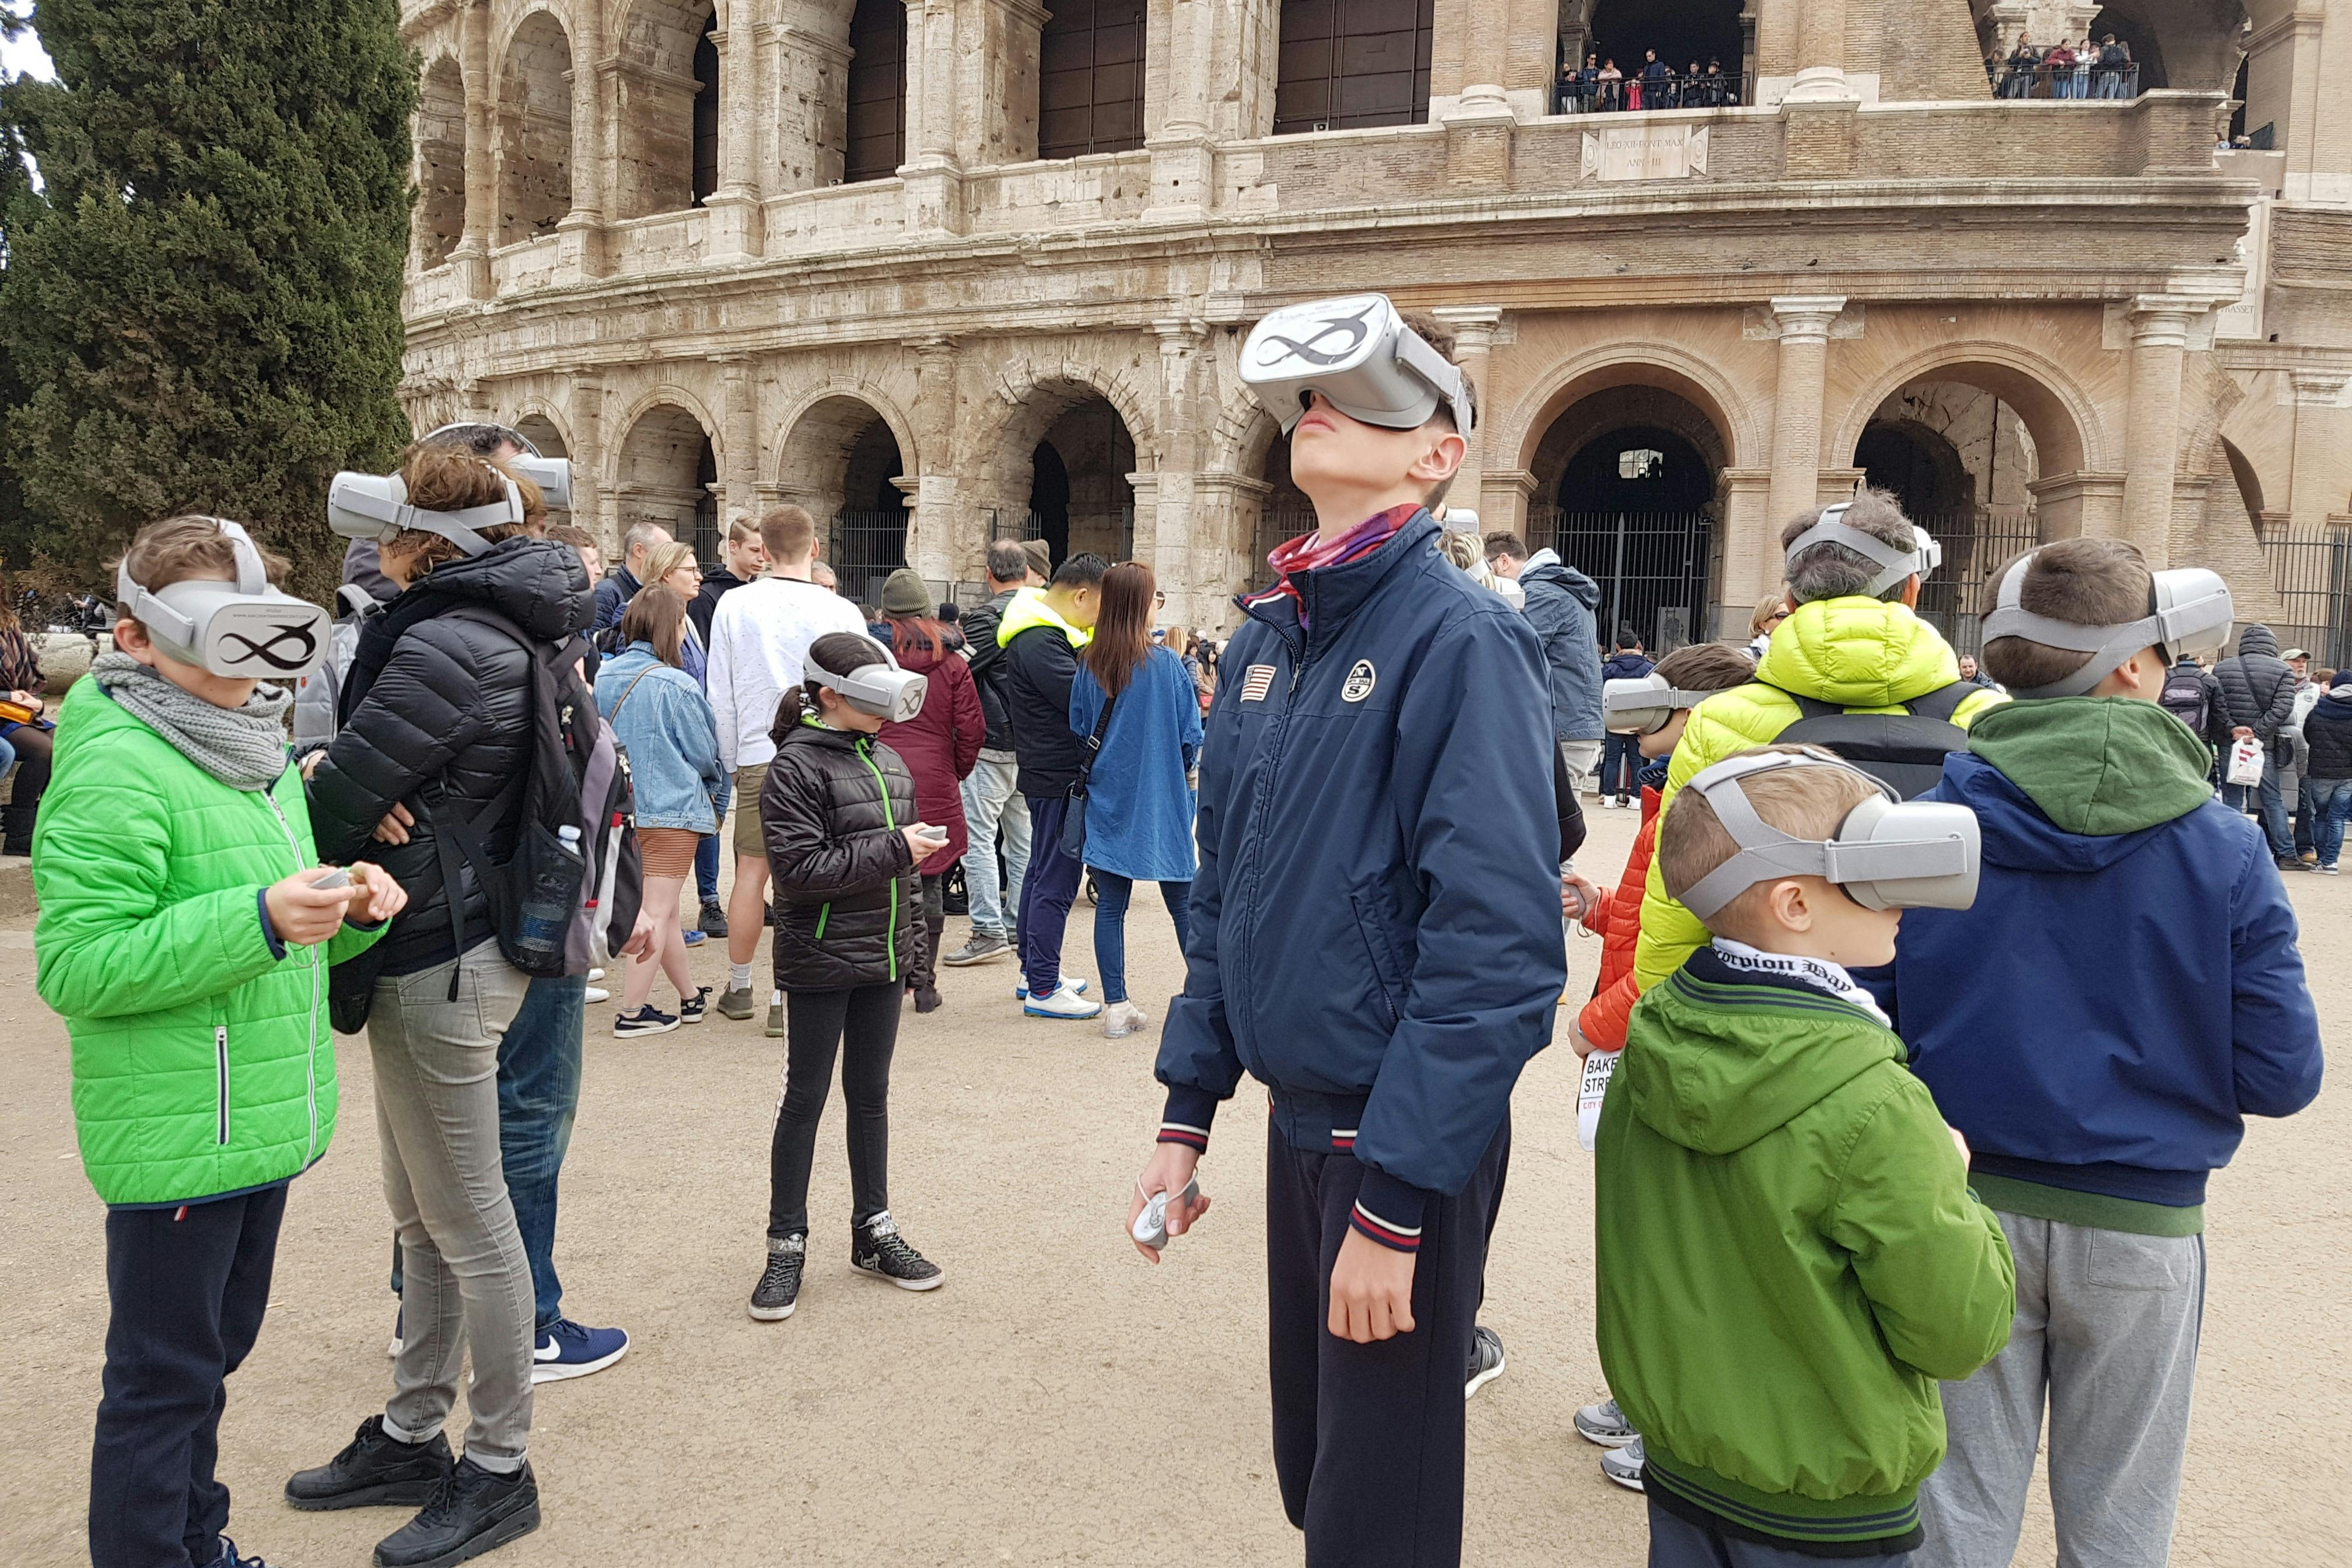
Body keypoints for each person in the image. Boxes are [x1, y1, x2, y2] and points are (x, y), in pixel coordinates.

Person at [1132, 299, 1563, 1567]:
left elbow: (1498, 946)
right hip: (1298, 1115)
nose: (1318, 410)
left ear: (1439, 455)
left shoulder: (1463, 635)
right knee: (1315, 1463)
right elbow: (1229, 893)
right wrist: (1184, 1108)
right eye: (1310, 398)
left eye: (1369, 398)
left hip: (1394, 1129)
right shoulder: (1271, 635)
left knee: (1379, 1503)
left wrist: (1397, 1200)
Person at [1867, 539, 2323, 1568]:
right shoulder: (2222, 846)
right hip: (2140, 1215)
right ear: (2130, 664)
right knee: (2119, 1524)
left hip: (1958, 1200)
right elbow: (2281, 1074)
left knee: (1949, 1518)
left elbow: (1867, 1032)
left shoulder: (1927, 828)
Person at [41, 516, 404, 1568]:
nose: (242, 672)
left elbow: (282, 938)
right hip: (178, 1130)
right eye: (214, 642)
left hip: (249, 1117)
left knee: (208, 1360)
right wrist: (255, 916)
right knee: (162, 1380)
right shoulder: (117, 764)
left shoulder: (253, 749)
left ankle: (200, 1541)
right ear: (135, 637)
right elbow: (79, 966)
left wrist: (345, 908)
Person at [1600, 745, 2017, 1564]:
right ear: (1795, 902)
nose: (1902, 894)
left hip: (1687, 1471)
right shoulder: (1873, 1101)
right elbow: (1959, 1330)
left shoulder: (1651, 1044)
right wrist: (1955, 1186)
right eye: (1871, 867)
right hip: (1830, 1503)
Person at [292, 446, 591, 1566]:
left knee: (468, 1223)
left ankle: (499, 1463)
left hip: (439, 947)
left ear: (428, 540)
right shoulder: (504, 620)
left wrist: (333, 778)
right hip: (453, 939)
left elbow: (333, 806)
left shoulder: (443, 638)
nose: (372, 542)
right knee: (425, 1216)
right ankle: (416, 1429)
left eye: (389, 527)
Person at [366, 436, 635, 1382]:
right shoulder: (492, 622)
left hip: (517, 894)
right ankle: (520, 1338)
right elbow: (355, 781)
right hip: (508, 906)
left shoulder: (445, 618)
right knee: (507, 1135)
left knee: (461, 1146)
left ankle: (443, 1333)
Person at [1633, 490, 2006, 994]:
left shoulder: (1722, 720)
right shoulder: (1989, 720)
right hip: (1951, 1003)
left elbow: (1681, 893)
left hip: (1781, 1011)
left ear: (1790, 603)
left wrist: (1662, 1012)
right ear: (1913, 590)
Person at [1563, 640, 1756, 1492]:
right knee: (1643, 1237)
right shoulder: (1670, 794)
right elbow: (1651, 916)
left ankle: (1673, 1429)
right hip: (1644, 1030)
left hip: (1658, 1034)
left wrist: (1599, 1022)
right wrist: (1602, 909)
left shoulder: (1705, 799)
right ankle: (1647, 1401)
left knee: (1676, 1246)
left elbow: (1680, 952)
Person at [749, 632, 950, 1321]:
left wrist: (915, 959)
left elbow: (906, 884)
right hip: (822, 957)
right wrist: (898, 846)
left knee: (871, 1096)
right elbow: (800, 875)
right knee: (804, 1098)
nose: (888, 712)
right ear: (829, 696)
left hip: (883, 959)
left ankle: (874, 1230)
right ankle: (785, 1243)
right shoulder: (794, 770)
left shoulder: (889, 758)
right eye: (872, 698)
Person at [707, 505, 869, 1032]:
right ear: (815, 548)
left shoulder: (735, 604)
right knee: (807, 878)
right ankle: (785, 993)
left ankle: (740, 985)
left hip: (761, 750)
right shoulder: (842, 609)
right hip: (827, 751)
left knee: (751, 873)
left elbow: (721, 693)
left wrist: (732, 758)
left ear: (764, 552)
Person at [1069, 561, 1202, 1041]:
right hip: (1161, 794)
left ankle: (1117, 1003)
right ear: (1145, 604)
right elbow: (1191, 734)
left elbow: (1081, 728)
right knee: (1183, 903)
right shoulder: (1166, 664)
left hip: (1110, 794)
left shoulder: (1088, 661)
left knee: (1111, 907)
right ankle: (1207, 997)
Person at [596, 584, 723, 1036]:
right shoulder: (679, 683)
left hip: (619, 808)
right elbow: (705, 754)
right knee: (653, 913)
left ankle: (689, 997)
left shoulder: (602, 676)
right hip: (671, 810)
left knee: (661, 911)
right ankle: (632, 1011)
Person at [1000, 553, 1109, 1019]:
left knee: (1042, 873)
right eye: (1100, 608)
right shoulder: (1042, 640)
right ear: (1081, 595)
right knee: (1056, 880)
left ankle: (1035, 973)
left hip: (1047, 771)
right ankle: (1044, 985)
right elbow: (1080, 701)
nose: (1099, 619)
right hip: (1057, 774)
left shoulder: (1041, 634)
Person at [875, 568, 984, 1013]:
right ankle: (924, 984)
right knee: (932, 878)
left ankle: (890, 977)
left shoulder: (872, 658)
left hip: (879, 772)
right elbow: (972, 728)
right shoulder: (954, 662)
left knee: (883, 877)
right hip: (936, 774)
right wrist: (955, 769)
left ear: (885, 612)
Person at [949, 539, 1043, 967]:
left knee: (980, 840)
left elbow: (961, 670)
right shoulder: (1044, 615)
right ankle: (1017, 922)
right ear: (1026, 573)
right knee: (1022, 843)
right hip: (1030, 743)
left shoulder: (986, 619)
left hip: (993, 741)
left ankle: (988, 927)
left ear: (989, 574)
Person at [685, 519, 765, 937]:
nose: (762, 558)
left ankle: (748, 895)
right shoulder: (709, 598)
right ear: (732, 548)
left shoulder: (759, 595)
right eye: (754, 550)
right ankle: (709, 900)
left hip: (751, 713)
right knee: (713, 816)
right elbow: (707, 664)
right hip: (719, 713)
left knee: (749, 819)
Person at [1485, 531, 1605, 793]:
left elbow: (1511, 656)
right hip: (1576, 725)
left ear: (1503, 562)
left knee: (1548, 826)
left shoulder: (1539, 594)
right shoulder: (1563, 590)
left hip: (1561, 729)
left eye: (1488, 569)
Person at [2213, 624, 2299, 867]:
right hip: (2264, 745)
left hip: (2232, 743)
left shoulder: (2222, 668)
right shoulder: (2282, 670)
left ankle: (2227, 851)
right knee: (2272, 800)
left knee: (2232, 798)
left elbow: (2217, 706)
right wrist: (2258, 732)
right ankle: (2286, 854)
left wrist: (2234, 729)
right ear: (2271, 644)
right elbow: (2283, 708)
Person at [0, 597, 57, 854]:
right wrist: (8, 697)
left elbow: (29, 672)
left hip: (16, 709)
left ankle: (50, 825)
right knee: (43, 750)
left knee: (64, 740)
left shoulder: (10, 625)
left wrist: (32, 699)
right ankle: (19, 834)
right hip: (4, 709)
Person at [2304, 668, 2352, 873]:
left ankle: (2323, 860)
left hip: (2321, 771)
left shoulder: (2318, 710)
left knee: (2321, 815)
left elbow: (2308, 735)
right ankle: (2332, 862)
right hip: (2348, 774)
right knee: (2337, 817)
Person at [1598, 630, 1654, 808]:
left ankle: (1609, 798)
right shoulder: (1648, 668)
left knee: (1612, 759)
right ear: (1637, 645)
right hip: (1638, 720)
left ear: (1617, 647)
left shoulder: (1610, 668)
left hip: (1614, 720)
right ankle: (1636, 799)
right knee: (1636, 759)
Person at [640, 541, 708, 685]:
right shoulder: (644, 616)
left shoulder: (687, 621)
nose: (699, 577)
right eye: (691, 570)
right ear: (666, 574)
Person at [592, 522, 670, 634]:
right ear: (639, 551)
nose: (671, 559)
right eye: (665, 552)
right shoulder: (606, 592)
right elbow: (596, 643)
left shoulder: (658, 591)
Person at [1746, 590, 1788, 659]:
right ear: (1764, 625)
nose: (1789, 619)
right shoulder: (1748, 657)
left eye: (1792, 615)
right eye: (1782, 616)